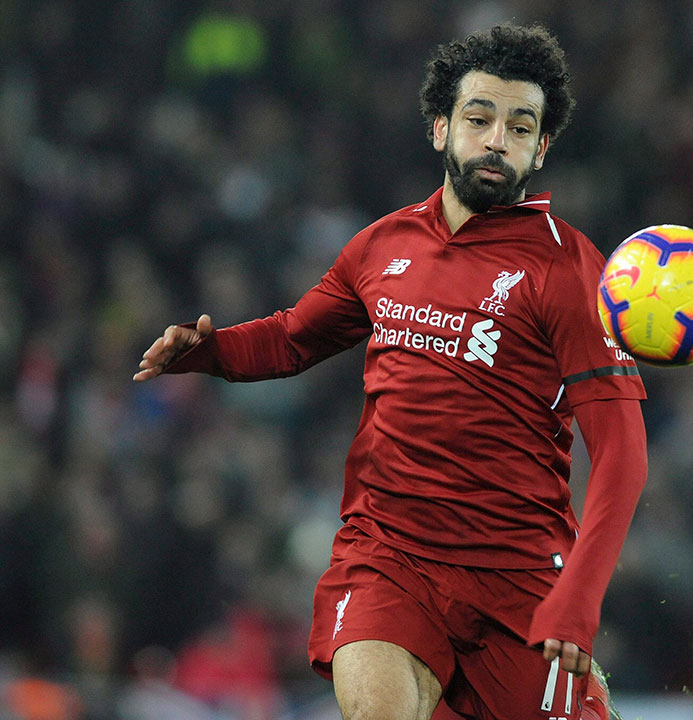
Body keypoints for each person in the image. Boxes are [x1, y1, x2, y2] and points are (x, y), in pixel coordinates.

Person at [133, 24, 643, 720]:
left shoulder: (570, 269)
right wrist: (212, 353)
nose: (497, 139)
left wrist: (579, 598)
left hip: (519, 578)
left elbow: (621, 454)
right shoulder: (382, 246)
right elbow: (291, 339)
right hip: (386, 555)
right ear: (440, 128)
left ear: (541, 148)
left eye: (521, 128)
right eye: (479, 118)